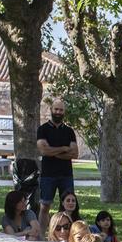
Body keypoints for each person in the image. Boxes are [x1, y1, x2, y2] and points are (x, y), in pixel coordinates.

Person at [36, 99, 79, 234]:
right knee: (44, 206)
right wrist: (64, 148)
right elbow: (43, 151)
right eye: (56, 109)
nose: (58, 112)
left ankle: (68, 235)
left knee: (69, 207)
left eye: (61, 110)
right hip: (48, 174)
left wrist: (53, 151)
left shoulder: (69, 131)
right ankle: (42, 236)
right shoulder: (42, 129)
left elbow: (75, 153)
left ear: (64, 112)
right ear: (51, 110)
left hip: (66, 174)